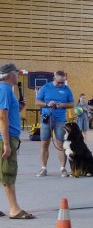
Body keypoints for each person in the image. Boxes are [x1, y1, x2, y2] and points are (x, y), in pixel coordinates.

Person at [0, 63, 34, 219]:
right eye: (16, 73)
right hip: (5, 138)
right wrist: (6, 143)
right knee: (8, 171)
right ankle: (14, 209)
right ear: (10, 74)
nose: (17, 75)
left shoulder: (6, 90)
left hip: (6, 136)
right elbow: (2, 116)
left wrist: (19, 108)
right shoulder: (5, 90)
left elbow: (8, 113)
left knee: (2, 171)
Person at [35, 70, 74, 178]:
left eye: (63, 82)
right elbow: (37, 102)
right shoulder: (46, 87)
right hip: (46, 119)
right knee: (44, 143)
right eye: (59, 82)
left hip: (60, 120)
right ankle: (43, 168)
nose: (62, 84)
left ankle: (63, 168)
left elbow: (72, 104)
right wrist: (47, 104)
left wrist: (63, 105)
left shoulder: (67, 89)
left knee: (60, 144)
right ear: (54, 79)